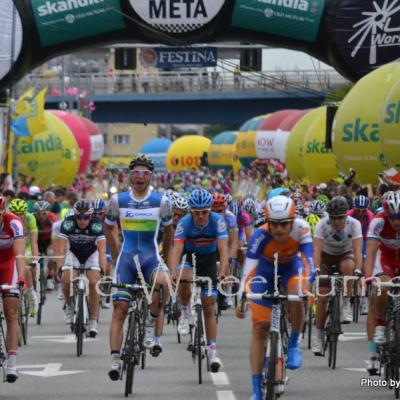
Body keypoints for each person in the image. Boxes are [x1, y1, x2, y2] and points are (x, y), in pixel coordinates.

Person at [236, 195, 313, 400]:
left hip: (292, 269)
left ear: (292, 221)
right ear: (268, 222)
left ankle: (295, 343)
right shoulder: (260, 236)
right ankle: (255, 388)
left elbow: (308, 263)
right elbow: (248, 271)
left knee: (296, 293)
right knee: (260, 326)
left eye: (284, 224)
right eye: (275, 224)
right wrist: (242, 296)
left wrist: (306, 288)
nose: (279, 229)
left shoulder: (302, 229)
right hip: (265, 273)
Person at [105, 155, 173, 380]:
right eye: (136, 173)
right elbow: (108, 228)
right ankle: (115, 359)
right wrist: (115, 254)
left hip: (150, 257)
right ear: (129, 176)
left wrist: (166, 254)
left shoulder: (161, 201)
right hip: (126, 259)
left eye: (145, 173)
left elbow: (169, 231)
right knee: (120, 309)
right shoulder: (118, 200)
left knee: (163, 283)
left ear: (151, 176)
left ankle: (151, 319)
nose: (140, 177)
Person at [168, 189, 229, 373]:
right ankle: (185, 311)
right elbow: (176, 250)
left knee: (209, 305)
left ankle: (212, 352)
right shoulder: (185, 223)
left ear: (210, 210)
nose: (201, 216)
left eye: (204, 212)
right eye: (197, 212)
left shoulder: (218, 221)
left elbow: (224, 249)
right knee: (184, 279)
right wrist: (173, 273)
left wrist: (223, 271)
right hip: (189, 257)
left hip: (209, 259)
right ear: (191, 211)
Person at [312, 196, 363, 355]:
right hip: (326, 257)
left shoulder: (354, 224)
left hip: (344, 255)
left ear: (346, 215)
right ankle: (319, 335)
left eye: (340, 217)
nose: (337, 221)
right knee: (322, 298)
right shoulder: (322, 224)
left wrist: (358, 271)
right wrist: (316, 270)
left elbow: (358, 250)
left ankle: (347, 301)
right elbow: (316, 250)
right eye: (333, 218)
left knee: (349, 266)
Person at [56, 200, 106, 336]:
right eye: (79, 217)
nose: (83, 220)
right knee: (66, 279)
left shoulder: (96, 225)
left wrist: (102, 268)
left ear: (91, 216)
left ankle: (93, 320)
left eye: (86, 217)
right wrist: (60, 266)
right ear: (75, 216)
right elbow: (61, 247)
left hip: (91, 254)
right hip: (74, 254)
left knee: (94, 283)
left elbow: (102, 250)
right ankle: (70, 306)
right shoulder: (68, 223)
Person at [363, 191, 400, 374]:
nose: (397, 221)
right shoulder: (378, 221)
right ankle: (373, 351)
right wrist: (368, 277)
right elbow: (370, 251)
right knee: (381, 287)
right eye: (393, 217)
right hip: (384, 259)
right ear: (386, 213)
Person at [0, 195, 26, 382]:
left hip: (9, 265)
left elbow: (19, 254)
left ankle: (12, 362)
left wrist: (22, 277)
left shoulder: (14, 222)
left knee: (11, 311)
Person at [8, 199, 39, 316]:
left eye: (20, 213)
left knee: (25, 266)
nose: (17, 216)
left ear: (25, 212)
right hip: (11, 246)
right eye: (15, 213)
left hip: (26, 247)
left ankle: (32, 296)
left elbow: (33, 242)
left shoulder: (30, 218)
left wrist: (35, 259)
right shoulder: (7, 219)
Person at [34, 201, 59, 290]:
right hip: (37, 240)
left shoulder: (53, 218)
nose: (41, 216)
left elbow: (57, 235)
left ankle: (49, 278)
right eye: (38, 214)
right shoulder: (32, 218)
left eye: (44, 214)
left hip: (49, 240)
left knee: (52, 255)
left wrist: (53, 247)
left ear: (48, 212)